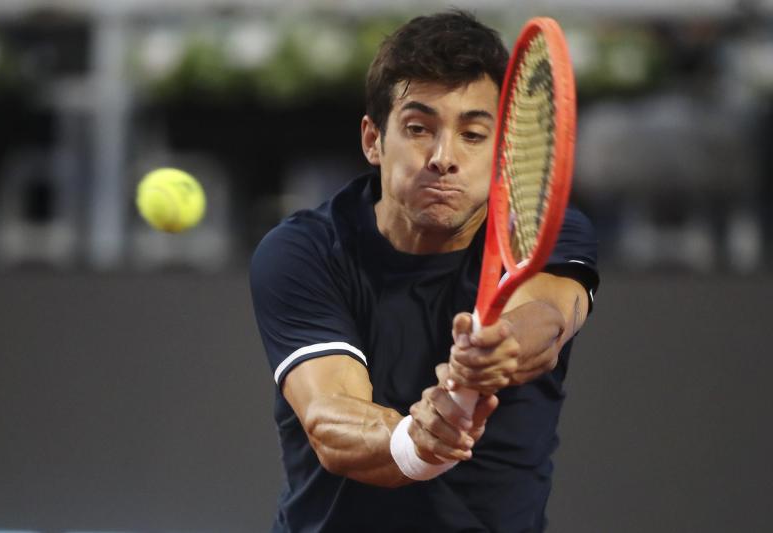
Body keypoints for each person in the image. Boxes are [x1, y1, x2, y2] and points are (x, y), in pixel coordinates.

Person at [250, 10, 599, 533]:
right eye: (418, 129)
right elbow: (329, 417)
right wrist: (414, 444)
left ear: (503, 150)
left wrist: (499, 348)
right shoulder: (304, 251)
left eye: (473, 134)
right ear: (373, 140)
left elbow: (547, 318)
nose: (443, 157)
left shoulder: (545, 232)